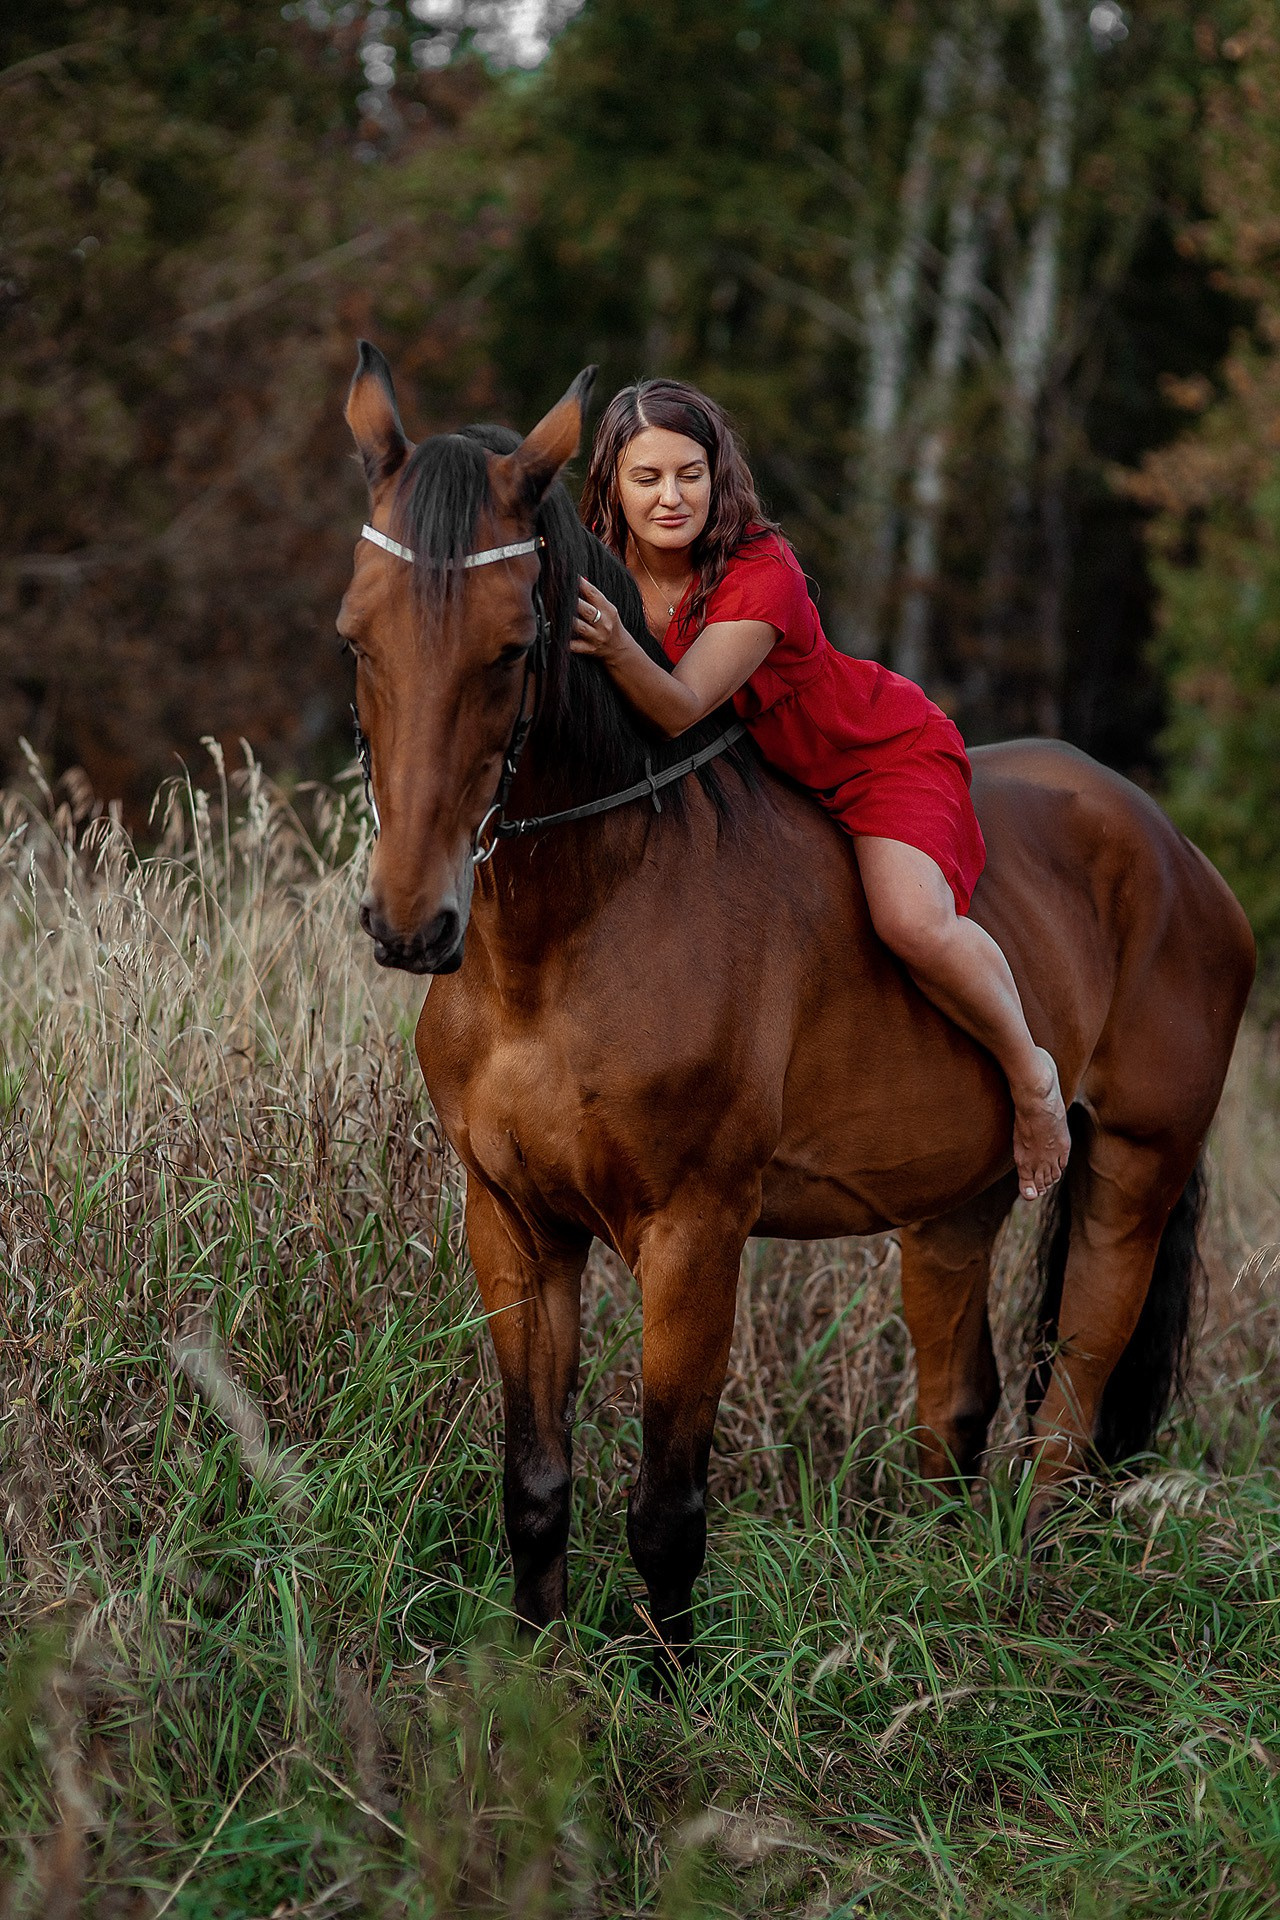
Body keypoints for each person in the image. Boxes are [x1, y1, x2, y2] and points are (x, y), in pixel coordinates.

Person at [571, 377, 1070, 1201]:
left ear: (717, 471)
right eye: (646, 476)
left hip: (870, 754)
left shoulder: (760, 570)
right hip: (761, 778)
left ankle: (1032, 1075)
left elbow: (680, 707)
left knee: (911, 920)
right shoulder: (602, 562)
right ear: (612, 484)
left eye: (689, 473)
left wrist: (620, 645)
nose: (670, 497)